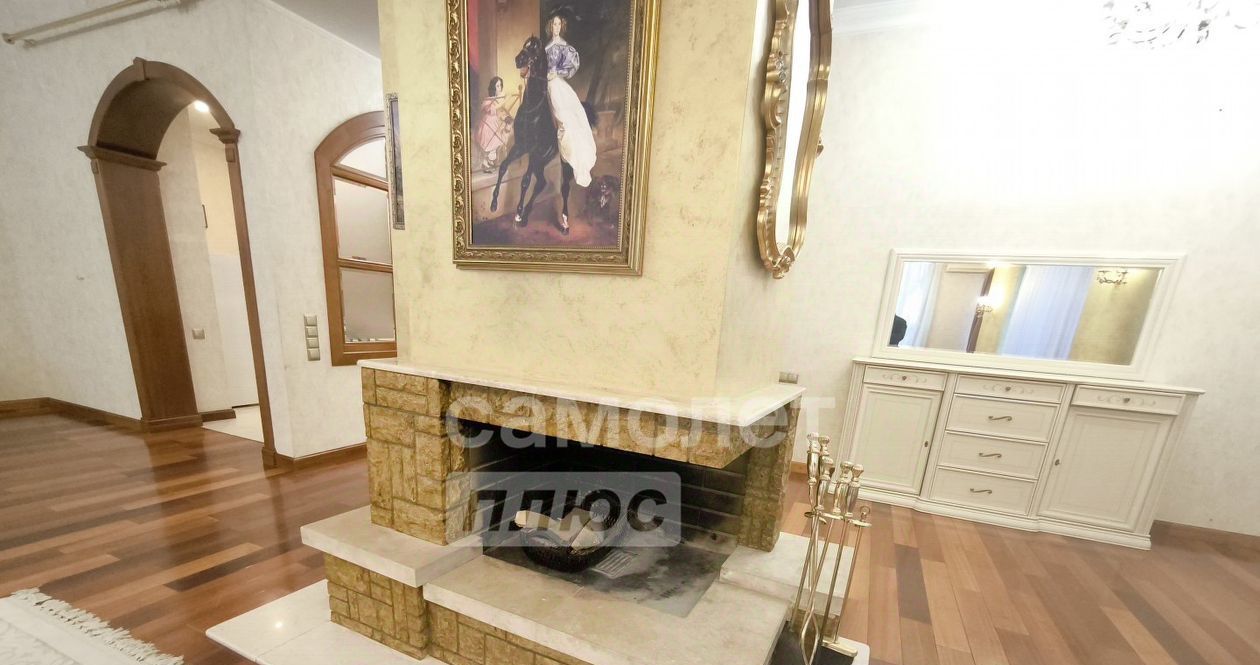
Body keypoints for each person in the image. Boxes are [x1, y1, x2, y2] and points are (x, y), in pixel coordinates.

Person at [544, 10, 598, 233]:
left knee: (568, 115)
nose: (555, 27)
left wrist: (556, 73)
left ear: (562, 26)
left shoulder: (564, 47)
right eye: (553, 24)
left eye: (558, 24)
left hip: (557, 85)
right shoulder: (546, 47)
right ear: (550, 26)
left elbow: (571, 67)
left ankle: (569, 147)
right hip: (545, 86)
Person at [475, 77, 520, 173]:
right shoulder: (488, 100)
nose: (500, 88)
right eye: (497, 86)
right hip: (487, 125)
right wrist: (506, 99)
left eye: (500, 85)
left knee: (496, 143)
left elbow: (500, 110)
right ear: (493, 87)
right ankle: (485, 163)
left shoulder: (496, 99)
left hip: (494, 124)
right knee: (490, 144)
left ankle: (488, 162)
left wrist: (505, 117)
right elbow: (495, 108)